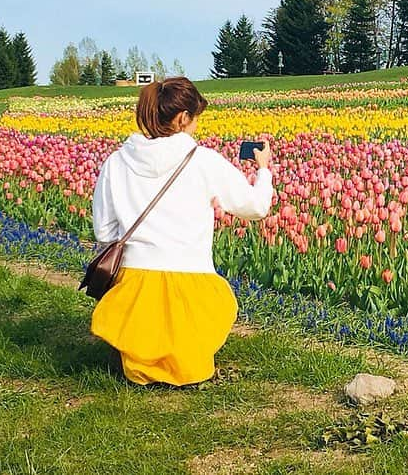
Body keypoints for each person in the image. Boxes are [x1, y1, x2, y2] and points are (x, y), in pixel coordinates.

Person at [90, 77, 273, 386]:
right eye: (196, 118)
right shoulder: (203, 161)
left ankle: (139, 356)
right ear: (182, 118)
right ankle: (182, 359)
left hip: (135, 282)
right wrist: (264, 169)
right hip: (191, 281)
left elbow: (104, 231)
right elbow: (256, 208)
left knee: (143, 320)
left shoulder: (116, 162)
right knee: (194, 339)